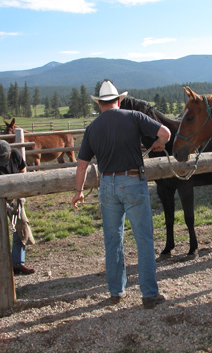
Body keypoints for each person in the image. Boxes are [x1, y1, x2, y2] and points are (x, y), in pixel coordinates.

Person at [72, 80, 171, 309]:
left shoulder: (92, 128)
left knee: (113, 240)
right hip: (133, 181)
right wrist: (158, 142)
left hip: (106, 185)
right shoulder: (133, 117)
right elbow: (165, 132)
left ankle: (116, 291)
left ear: (99, 105)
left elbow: (82, 165)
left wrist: (78, 191)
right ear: (118, 100)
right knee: (144, 239)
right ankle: (148, 294)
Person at [0, 140, 36, 275]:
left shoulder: (16, 155)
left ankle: (18, 263)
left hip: (14, 195)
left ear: (9, 152)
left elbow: (22, 168)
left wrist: (18, 188)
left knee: (21, 225)